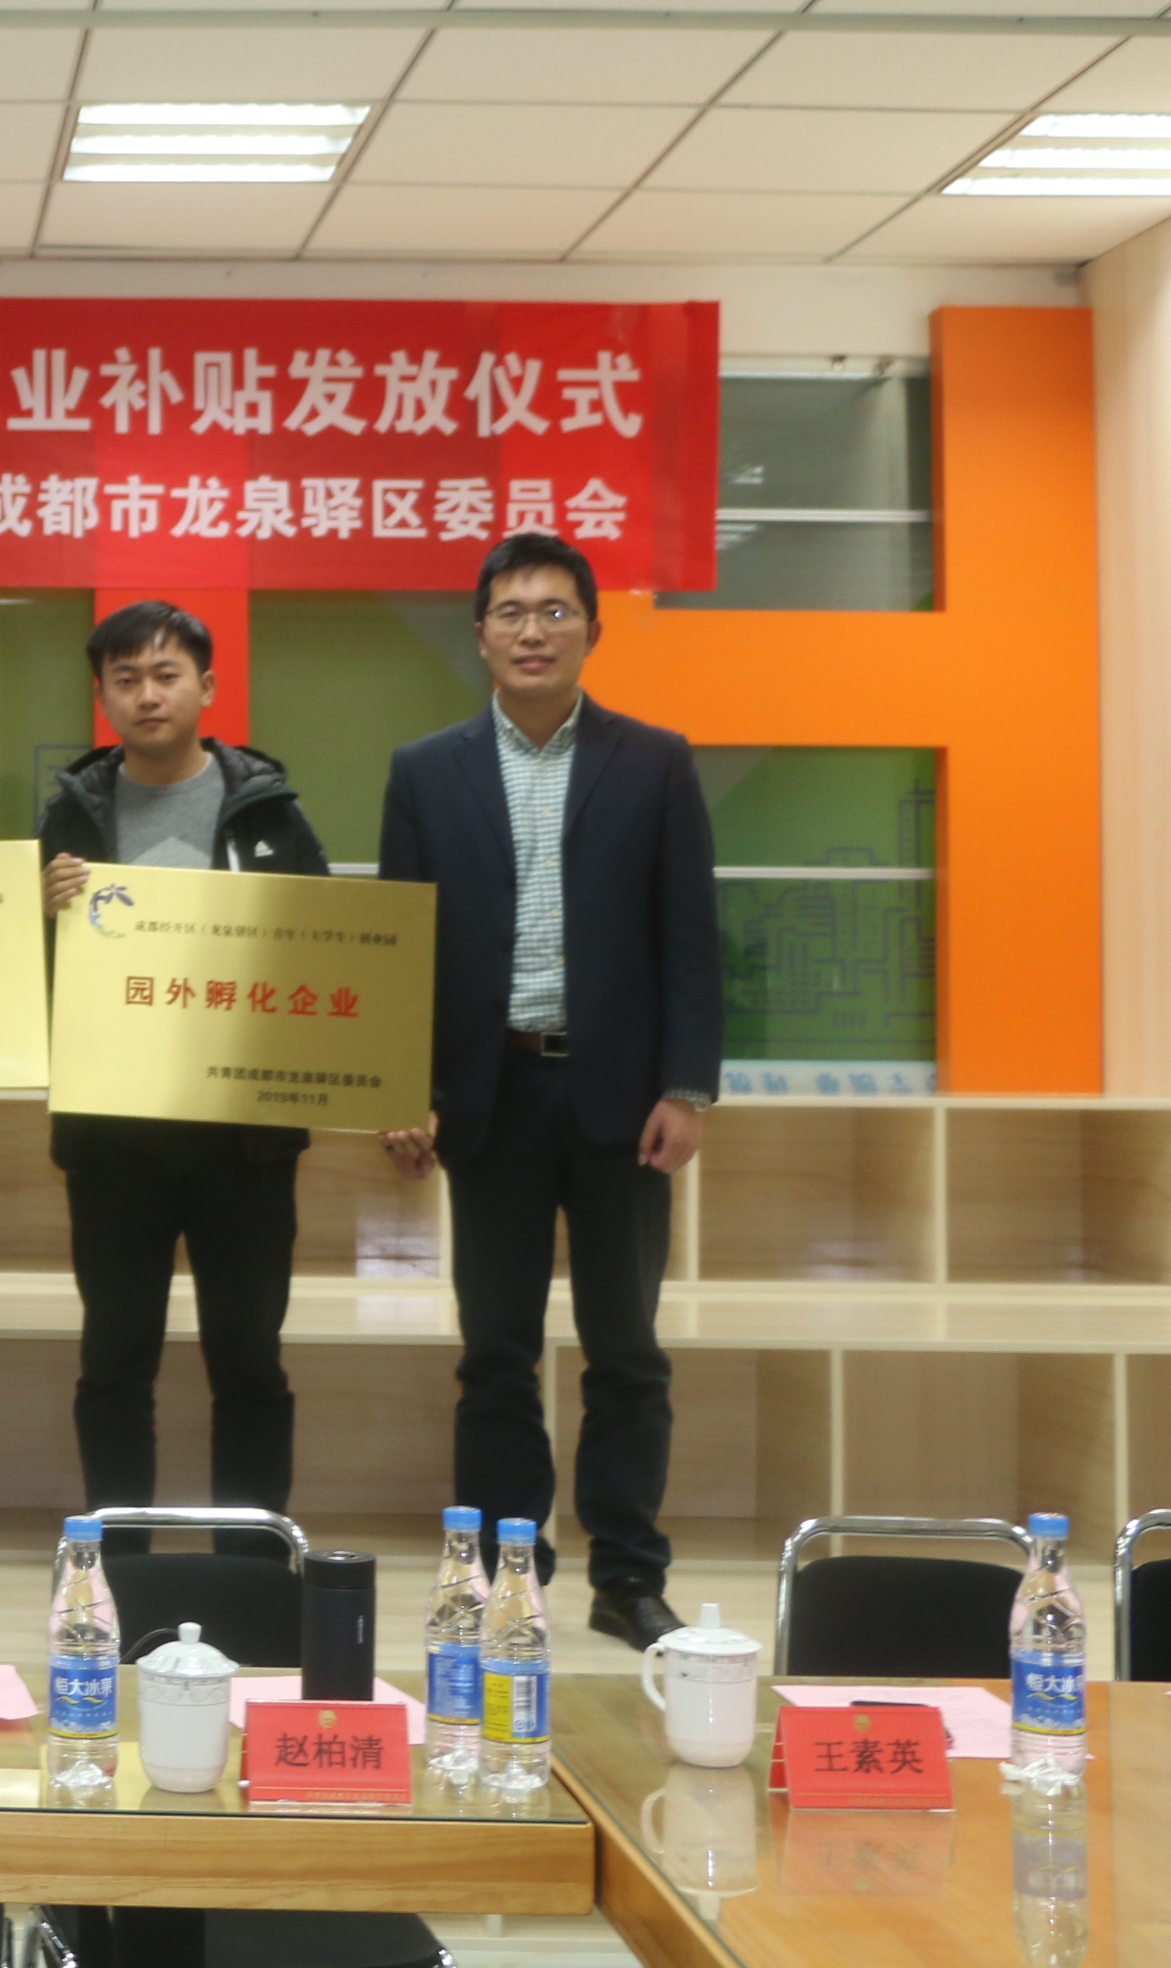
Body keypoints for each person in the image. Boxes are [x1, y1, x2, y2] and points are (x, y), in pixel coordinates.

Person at [380, 533, 720, 1653]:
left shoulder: (654, 761)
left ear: (591, 631)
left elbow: (690, 936)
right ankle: (502, 1576)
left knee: (627, 1351)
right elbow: (400, 946)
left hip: (623, 1102)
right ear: (480, 633)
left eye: (555, 610)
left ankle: (628, 1577)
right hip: (490, 1096)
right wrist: (406, 1087)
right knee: (495, 1354)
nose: (533, 630)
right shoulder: (425, 769)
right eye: (512, 612)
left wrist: (687, 1086)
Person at [35, 600, 331, 1530]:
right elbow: (26, 978)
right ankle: (115, 1565)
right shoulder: (71, 816)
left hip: (245, 1141)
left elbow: (326, 952)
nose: (148, 695)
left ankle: (253, 1565)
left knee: (248, 1360)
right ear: (103, 697)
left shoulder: (271, 813)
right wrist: (37, 912)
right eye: (126, 680)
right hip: (113, 1138)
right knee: (115, 1362)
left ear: (207, 686)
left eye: (167, 675)